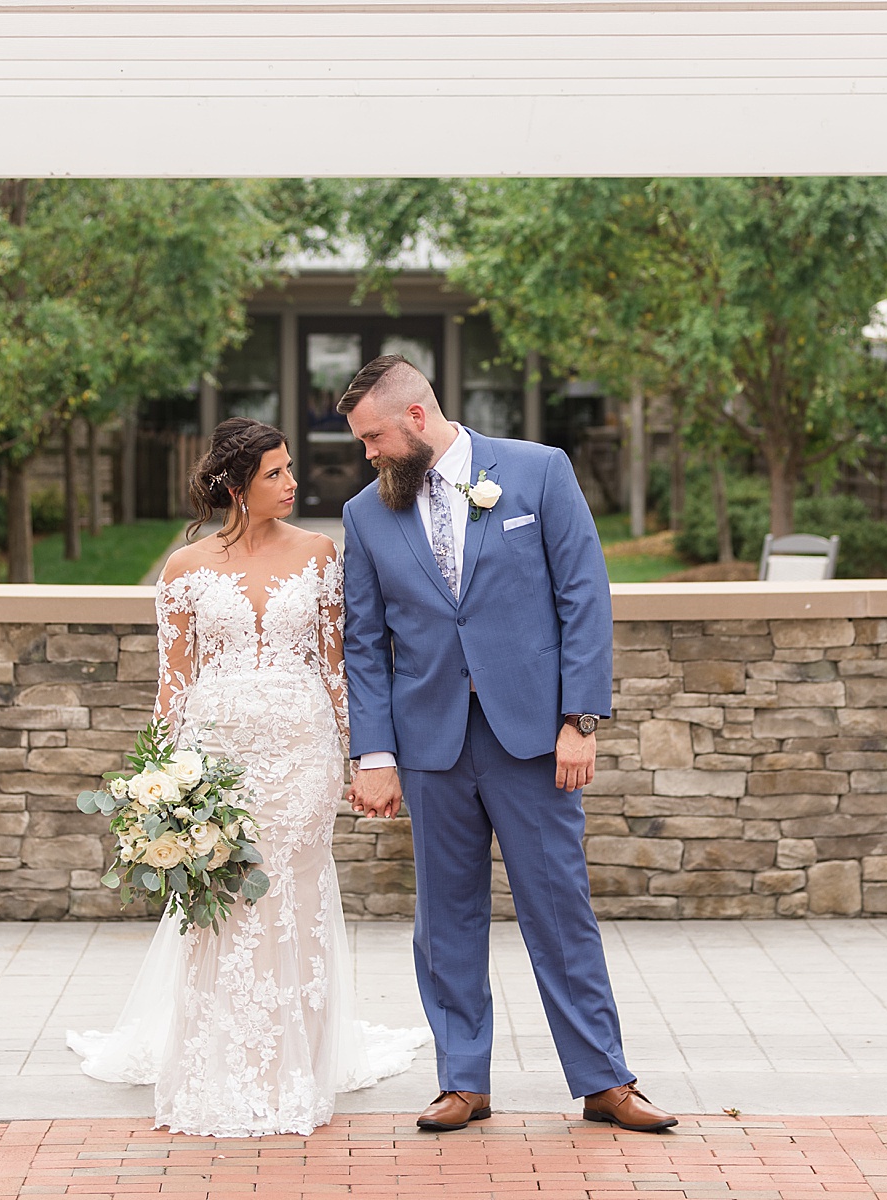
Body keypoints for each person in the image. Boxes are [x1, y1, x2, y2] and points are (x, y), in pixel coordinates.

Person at [338, 356, 677, 1134]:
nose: (368, 455)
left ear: (416, 418)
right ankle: (463, 1080)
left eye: (373, 437)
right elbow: (364, 644)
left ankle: (604, 1081)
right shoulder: (366, 514)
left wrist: (580, 719)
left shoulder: (538, 472)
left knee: (560, 909)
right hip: (431, 747)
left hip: (533, 739)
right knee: (443, 918)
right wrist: (376, 753)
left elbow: (584, 595)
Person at [67, 417, 427, 1138]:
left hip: (302, 754)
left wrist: (360, 756)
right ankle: (220, 1057)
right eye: (276, 474)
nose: (294, 483)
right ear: (235, 486)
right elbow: (173, 684)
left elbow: (337, 665)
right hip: (216, 758)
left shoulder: (321, 553)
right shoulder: (183, 569)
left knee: (294, 895)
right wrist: (161, 782)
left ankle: (299, 1057)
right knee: (224, 897)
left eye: (291, 469)